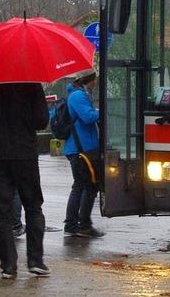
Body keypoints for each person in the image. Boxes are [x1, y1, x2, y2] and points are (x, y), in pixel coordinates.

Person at [0, 81, 50, 278]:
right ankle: (35, 261)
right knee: (33, 206)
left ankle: (8, 265)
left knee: (1, 211)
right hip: (25, 153)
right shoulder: (31, 83)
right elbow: (41, 120)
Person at [63, 69, 105, 238]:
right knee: (86, 186)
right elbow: (87, 117)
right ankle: (82, 224)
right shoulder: (78, 96)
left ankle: (74, 224)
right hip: (80, 150)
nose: (95, 83)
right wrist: (101, 111)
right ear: (88, 80)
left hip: (82, 148)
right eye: (94, 80)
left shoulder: (79, 94)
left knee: (82, 186)